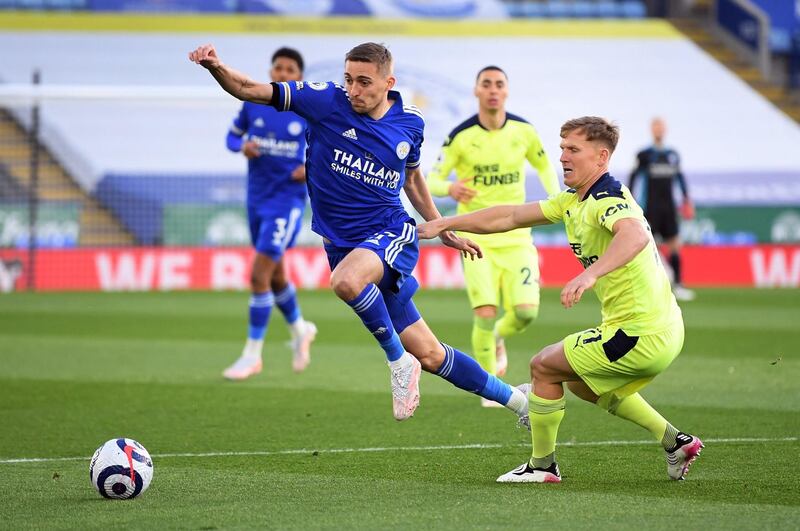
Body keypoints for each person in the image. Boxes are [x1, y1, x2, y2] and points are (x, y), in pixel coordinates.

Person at [189, 42, 530, 422]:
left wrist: (440, 227)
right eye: (348, 79)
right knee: (431, 355)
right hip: (342, 243)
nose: (354, 90)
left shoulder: (410, 123)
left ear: (389, 82)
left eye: (364, 82)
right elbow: (250, 90)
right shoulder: (325, 102)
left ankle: (398, 362)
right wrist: (216, 67)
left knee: (346, 282)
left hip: (390, 232)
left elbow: (412, 178)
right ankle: (521, 402)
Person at [419, 116, 703, 483]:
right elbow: (510, 215)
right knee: (581, 382)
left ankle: (542, 466)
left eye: (573, 149)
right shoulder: (573, 200)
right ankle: (674, 441)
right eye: (562, 148)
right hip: (654, 327)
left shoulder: (607, 197)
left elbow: (635, 236)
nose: (563, 157)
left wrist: (590, 273)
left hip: (639, 333)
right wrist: (445, 224)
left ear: (601, 157)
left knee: (543, 367)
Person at [427, 66, 560, 407]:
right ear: (476, 91)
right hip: (476, 238)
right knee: (485, 311)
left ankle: (499, 336)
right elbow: (430, 181)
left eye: (499, 84)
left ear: (506, 91)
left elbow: (545, 166)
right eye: (486, 84)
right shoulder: (460, 136)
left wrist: (558, 198)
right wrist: (450, 187)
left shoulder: (523, 131)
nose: (493, 90)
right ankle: (491, 385)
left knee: (527, 313)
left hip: (517, 238)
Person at [221, 47, 317, 380]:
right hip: (256, 200)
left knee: (258, 275)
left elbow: (330, 150)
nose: (283, 74)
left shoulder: (307, 112)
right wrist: (242, 146)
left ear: (299, 77)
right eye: (278, 68)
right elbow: (231, 138)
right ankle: (301, 330)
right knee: (275, 276)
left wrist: (311, 167)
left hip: (286, 203)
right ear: (271, 72)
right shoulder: (253, 105)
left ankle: (252, 355)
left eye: (290, 70)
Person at [629, 117, 695, 301]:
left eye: (661, 127)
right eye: (655, 127)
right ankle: (648, 284)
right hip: (651, 207)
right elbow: (634, 177)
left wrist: (686, 199)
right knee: (647, 245)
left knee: (675, 244)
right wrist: (630, 198)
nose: (658, 130)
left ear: (665, 130)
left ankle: (679, 285)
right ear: (652, 130)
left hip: (669, 208)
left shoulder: (673, 154)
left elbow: (680, 178)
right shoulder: (644, 154)